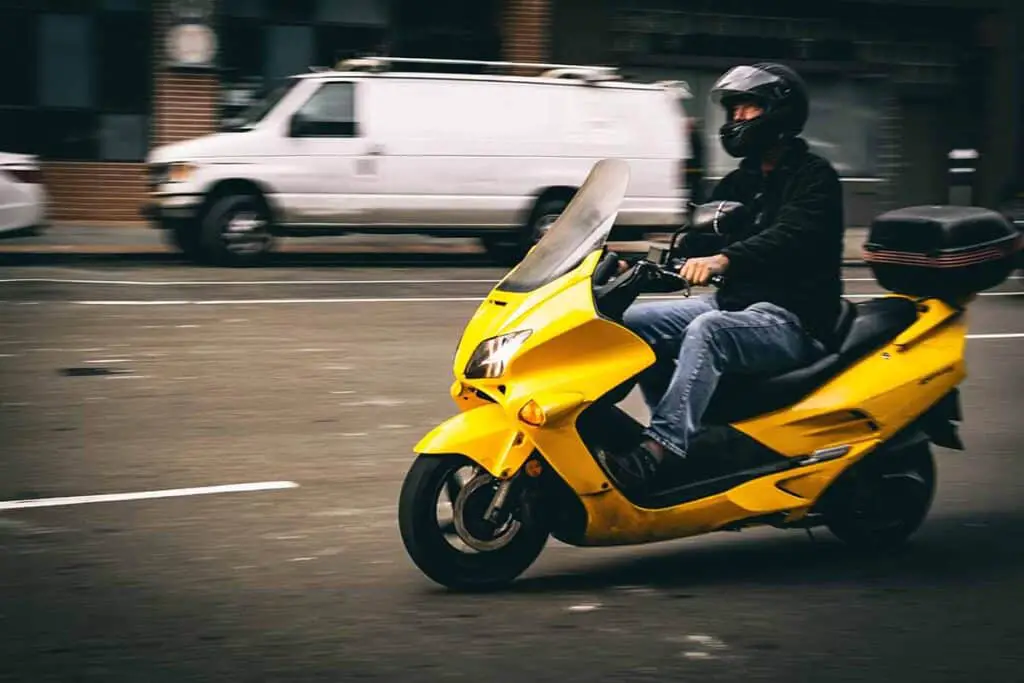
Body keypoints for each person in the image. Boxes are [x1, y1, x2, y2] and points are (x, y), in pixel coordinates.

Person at [603, 62, 846, 495]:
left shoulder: (815, 177)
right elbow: (696, 242)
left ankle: (661, 448)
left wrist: (723, 261)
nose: (737, 119)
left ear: (779, 112)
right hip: (734, 304)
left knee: (708, 330)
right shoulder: (740, 180)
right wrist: (629, 263)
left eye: (748, 108)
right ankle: (680, 431)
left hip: (794, 319)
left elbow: (789, 236)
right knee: (633, 327)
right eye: (733, 110)